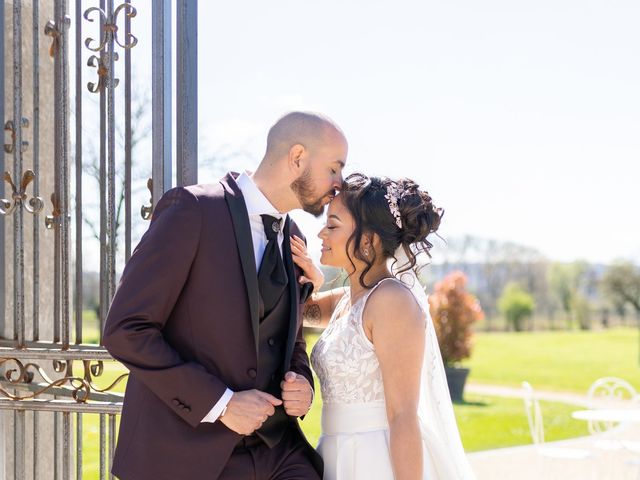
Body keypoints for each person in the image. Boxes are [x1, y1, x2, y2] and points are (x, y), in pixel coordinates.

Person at [102, 111, 348, 479]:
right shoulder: (193, 210)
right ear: (297, 158)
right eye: (334, 168)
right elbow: (126, 329)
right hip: (187, 453)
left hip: (277, 453)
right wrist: (222, 404)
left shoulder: (292, 235)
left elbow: (288, 339)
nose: (339, 184)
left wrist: (301, 383)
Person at [291, 173, 476, 479]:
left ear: (368, 240)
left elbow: (402, 415)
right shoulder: (346, 300)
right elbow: (297, 312)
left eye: (333, 225)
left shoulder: (392, 300)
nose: (321, 233)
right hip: (335, 453)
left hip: (376, 459)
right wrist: (312, 283)